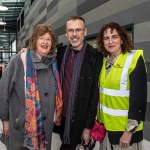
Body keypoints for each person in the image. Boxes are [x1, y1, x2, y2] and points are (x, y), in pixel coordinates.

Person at [0, 24, 63, 150]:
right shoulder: (18, 61)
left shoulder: (53, 64)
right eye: (41, 38)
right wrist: (5, 121)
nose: (45, 42)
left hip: (45, 127)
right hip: (22, 126)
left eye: (48, 39)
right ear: (34, 40)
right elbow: (3, 92)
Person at [96, 22, 147, 150]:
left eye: (115, 37)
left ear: (122, 39)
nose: (110, 41)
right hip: (107, 129)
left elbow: (139, 100)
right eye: (106, 38)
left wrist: (129, 131)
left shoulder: (133, 59)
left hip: (126, 134)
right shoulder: (104, 61)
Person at [59, 16, 103, 150]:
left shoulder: (95, 56)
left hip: (82, 119)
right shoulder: (60, 54)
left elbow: (95, 95)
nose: (74, 34)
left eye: (78, 30)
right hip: (63, 117)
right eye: (70, 30)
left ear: (85, 31)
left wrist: (88, 127)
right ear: (66, 34)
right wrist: (26, 52)